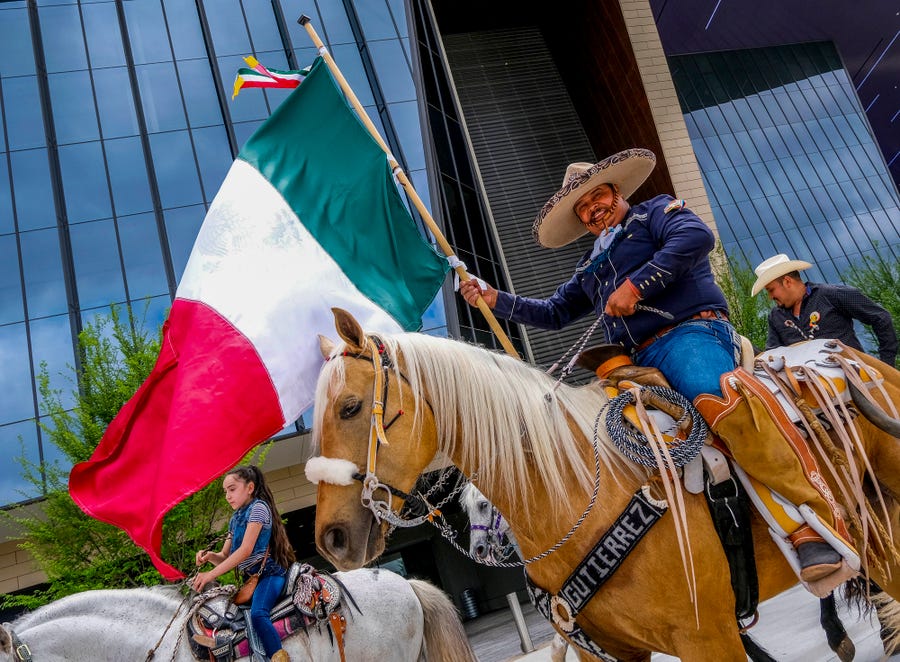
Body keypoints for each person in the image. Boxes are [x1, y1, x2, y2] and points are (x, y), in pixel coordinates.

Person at [459, 148, 856, 591]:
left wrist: (635, 285)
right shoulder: (590, 265)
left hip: (690, 336)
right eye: (584, 208)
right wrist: (495, 298)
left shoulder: (657, 214)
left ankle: (808, 522)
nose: (593, 209)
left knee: (718, 404)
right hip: (632, 362)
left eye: (598, 197)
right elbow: (553, 312)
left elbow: (697, 238)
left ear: (617, 192)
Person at [192, 465, 295, 662]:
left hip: (269, 576)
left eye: (232, 489)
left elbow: (245, 550)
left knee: (258, 614)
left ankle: (279, 657)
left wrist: (209, 576)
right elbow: (225, 555)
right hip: (251, 580)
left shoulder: (259, 508)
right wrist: (209, 557)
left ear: (249, 488)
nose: (228, 496)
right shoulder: (234, 518)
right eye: (225, 492)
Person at [752, 253, 897, 366]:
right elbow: (773, 355)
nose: (770, 297)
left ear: (787, 281)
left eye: (771, 290)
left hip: (856, 379)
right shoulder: (775, 317)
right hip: (809, 391)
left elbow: (880, 317)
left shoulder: (832, 294)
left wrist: (885, 364)